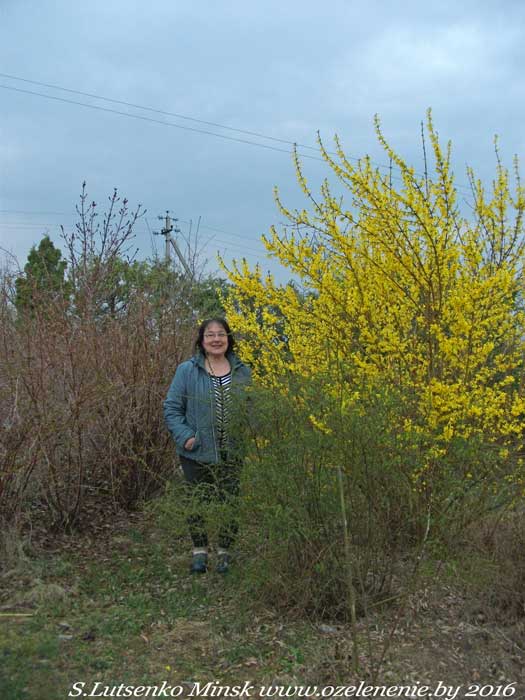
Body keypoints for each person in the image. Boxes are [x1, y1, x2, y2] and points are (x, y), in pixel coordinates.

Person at [163, 318, 252, 574]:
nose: (216, 339)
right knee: (197, 501)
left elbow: (250, 407)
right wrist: (186, 436)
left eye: (221, 334)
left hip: (232, 450)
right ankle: (199, 551)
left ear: (228, 339)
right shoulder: (188, 370)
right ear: (201, 341)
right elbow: (171, 408)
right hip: (196, 451)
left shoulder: (242, 371)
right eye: (210, 335)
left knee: (230, 501)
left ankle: (225, 551)